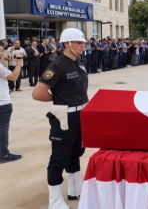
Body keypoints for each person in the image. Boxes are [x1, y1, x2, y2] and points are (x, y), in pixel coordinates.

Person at [32, 28, 89, 209]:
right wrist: (60, 98)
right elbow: (38, 94)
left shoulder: (79, 62)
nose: (83, 46)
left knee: (76, 152)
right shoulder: (57, 66)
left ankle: (75, 188)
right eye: (79, 43)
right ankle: (55, 200)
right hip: (64, 116)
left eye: (83, 43)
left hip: (80, 114)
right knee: (59, 157)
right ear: (67, 44)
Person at [0, 42, 23, 164]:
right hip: (2, 102)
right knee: (3, 128)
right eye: (0, 51)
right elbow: (14, 77)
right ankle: (3, 154)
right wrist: (18, 63)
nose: (2, 53)